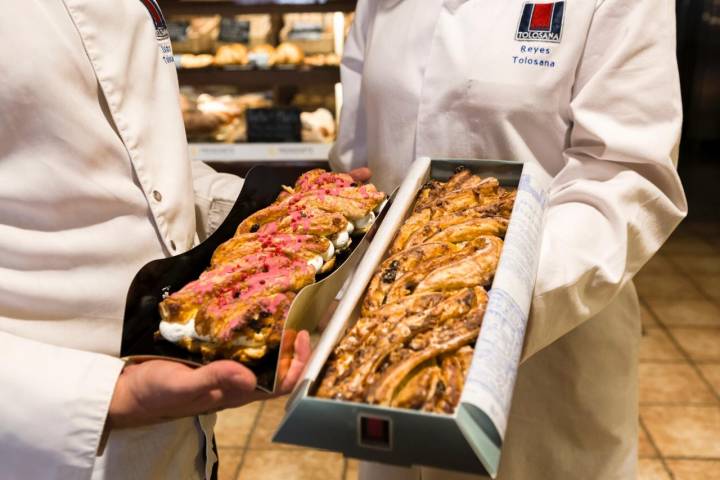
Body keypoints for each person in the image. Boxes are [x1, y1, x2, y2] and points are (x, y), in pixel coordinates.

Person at [331, 0, 687, 478]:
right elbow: (357, 151)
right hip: (386, 337)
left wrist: (492, 305)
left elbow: (623, 173)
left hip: (550, 334)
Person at [0, 2, 310, 479]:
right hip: (43, 444)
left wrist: (258, 211)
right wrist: (104, 394)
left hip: (176, 419)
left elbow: (129, 158)